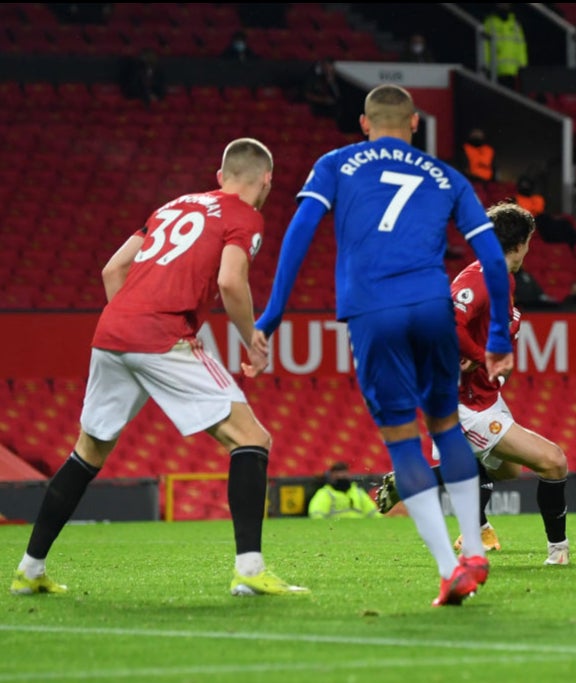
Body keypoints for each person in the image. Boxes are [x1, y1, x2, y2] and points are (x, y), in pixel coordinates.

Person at [253, 84, 515, 607]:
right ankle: (476, 550)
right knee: (445, 425)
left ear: (364, 123)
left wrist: (273, 313)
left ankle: (449, 568)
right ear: (415, 123)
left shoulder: (336, 164)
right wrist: (499, 335)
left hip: (374, 310)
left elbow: (301, 229)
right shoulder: (446, 175)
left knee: (402, 440)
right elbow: (489, 251)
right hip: (432, 305)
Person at [10, 138, 307, 597]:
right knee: (251, 438)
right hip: (162, 332)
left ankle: (29, 570)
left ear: (219, 174)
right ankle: (249, 571)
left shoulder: (171, 206)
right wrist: (253, 340)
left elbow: (113, 270)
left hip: (112, 331)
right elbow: (231, 279)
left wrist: (130, 331)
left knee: (88, 451)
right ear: (267, 179)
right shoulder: (245, 216)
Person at [374, 202, 571, 566]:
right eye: (529, 241)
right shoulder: (480, 278)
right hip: (462, 403)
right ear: (522, 243)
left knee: (509, 469)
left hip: (483, 396)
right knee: (554, 462)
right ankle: (558, 553)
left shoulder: (502, 278)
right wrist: (480, 356)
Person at [513, 174, 576, 248]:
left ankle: (574, 239)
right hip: (530, 221)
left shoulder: (537, 198)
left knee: (563, 223)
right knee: (546, 224)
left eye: (527, 185)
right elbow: (524, 212)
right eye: (523, 185)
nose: (525, 187)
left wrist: (532, 209)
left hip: (540, 217)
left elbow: (539, 210)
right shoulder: (515, 199)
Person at [308, 462, 380, 519]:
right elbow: (317, 514)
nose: (341, 476)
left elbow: (373, 513)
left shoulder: (359, 493)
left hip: (359, 530)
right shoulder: (325, 494)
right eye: (338, 474)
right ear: (332, 475)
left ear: (349, 474)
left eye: (344, 473)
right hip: (335, 530)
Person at [482, 3, 528, 90]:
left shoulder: (516, 24)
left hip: (513, 74)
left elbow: (521, 47)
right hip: (495, 73)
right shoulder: (489, 23)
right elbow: (485, 47)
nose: (504, 5)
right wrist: (486, 67)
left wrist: (523, 67)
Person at [298, 58, 343, 126]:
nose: (329, 68)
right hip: (318, 109)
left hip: (335, 110)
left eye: (330, 66)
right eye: (327, 66)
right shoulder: (314, 77)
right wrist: (323, 100)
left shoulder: (337, 80)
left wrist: (331, 82)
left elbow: (338, 95)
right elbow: (307, 94)